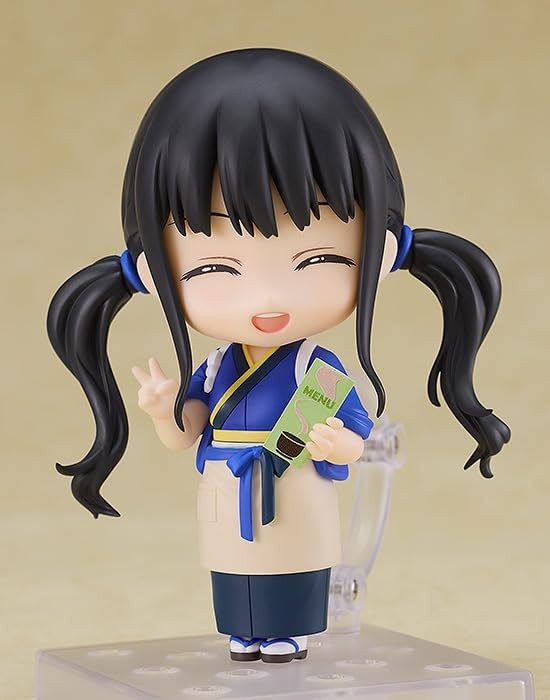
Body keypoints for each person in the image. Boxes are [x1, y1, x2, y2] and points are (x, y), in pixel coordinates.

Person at [47, 48, 510, 663]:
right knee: (234, 567)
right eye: (215, 267)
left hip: (295, 478)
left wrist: (340, 448)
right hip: (228, 480)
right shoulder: (216, 367)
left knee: (295, 562)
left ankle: (290, 630)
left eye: (317, 259)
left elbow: (357, 433)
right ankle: (243, 631)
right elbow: (187, 433)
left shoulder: (316, 371)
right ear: (153, 273)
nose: (266, 298)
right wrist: (162, 409)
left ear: (380, 251)